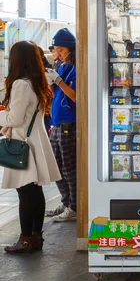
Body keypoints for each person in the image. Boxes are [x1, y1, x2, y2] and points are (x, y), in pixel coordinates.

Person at [0, 41, 61, 253]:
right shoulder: (36, 82)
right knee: (35, 191)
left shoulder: (20, 84)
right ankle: (36, 237)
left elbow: (15, 119)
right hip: (35, 140)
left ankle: (25, 239)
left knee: (25, 192)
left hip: (22, 144)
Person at [44, 28, 78, 222]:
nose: (57, 53)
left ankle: (74, 206)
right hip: (56, 122)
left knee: (68, 167)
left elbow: (75, 96)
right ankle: (65, 202)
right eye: (55, 50)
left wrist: (58, 79)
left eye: (60, 50)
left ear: (70, 49)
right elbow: (55, 93)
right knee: (56, 166)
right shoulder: (63, 66)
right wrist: (51, 80)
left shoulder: (76, 67)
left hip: (69, 122)